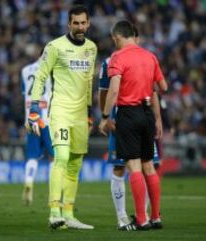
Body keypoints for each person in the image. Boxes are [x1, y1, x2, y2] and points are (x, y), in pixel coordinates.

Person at [28, 5, 97, 230]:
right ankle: (54, 211)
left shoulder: (92, 48)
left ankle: (68, 213)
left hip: (80, 115)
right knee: (62, 156)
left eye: (82, 23)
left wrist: (89, 112)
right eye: (75, 23)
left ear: (88, 23)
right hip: (60, 111)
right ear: (69, 24)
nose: (79, 27)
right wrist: (34, 109)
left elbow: (88, 82)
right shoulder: (55, 47)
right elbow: (39, 77)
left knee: (75, 163)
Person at [99, 20, 167, 230]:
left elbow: (113, 90)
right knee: (149, 166)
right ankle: (155, 217)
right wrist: (155, 114)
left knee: (134, 166)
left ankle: (141, 219)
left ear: (117, 37)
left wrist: (104, 116)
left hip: (127, 114)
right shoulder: (150, 56)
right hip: (147, 113)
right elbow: (162, 87)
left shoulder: (117, 57)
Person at [22, 55, 54, 205]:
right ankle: (54, 192)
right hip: (46, 117)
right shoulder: (50, 69)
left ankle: (29, 182)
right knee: (54, 157)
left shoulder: (25, 70)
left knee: (33, 156)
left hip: (30, 117)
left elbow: (25, 94)